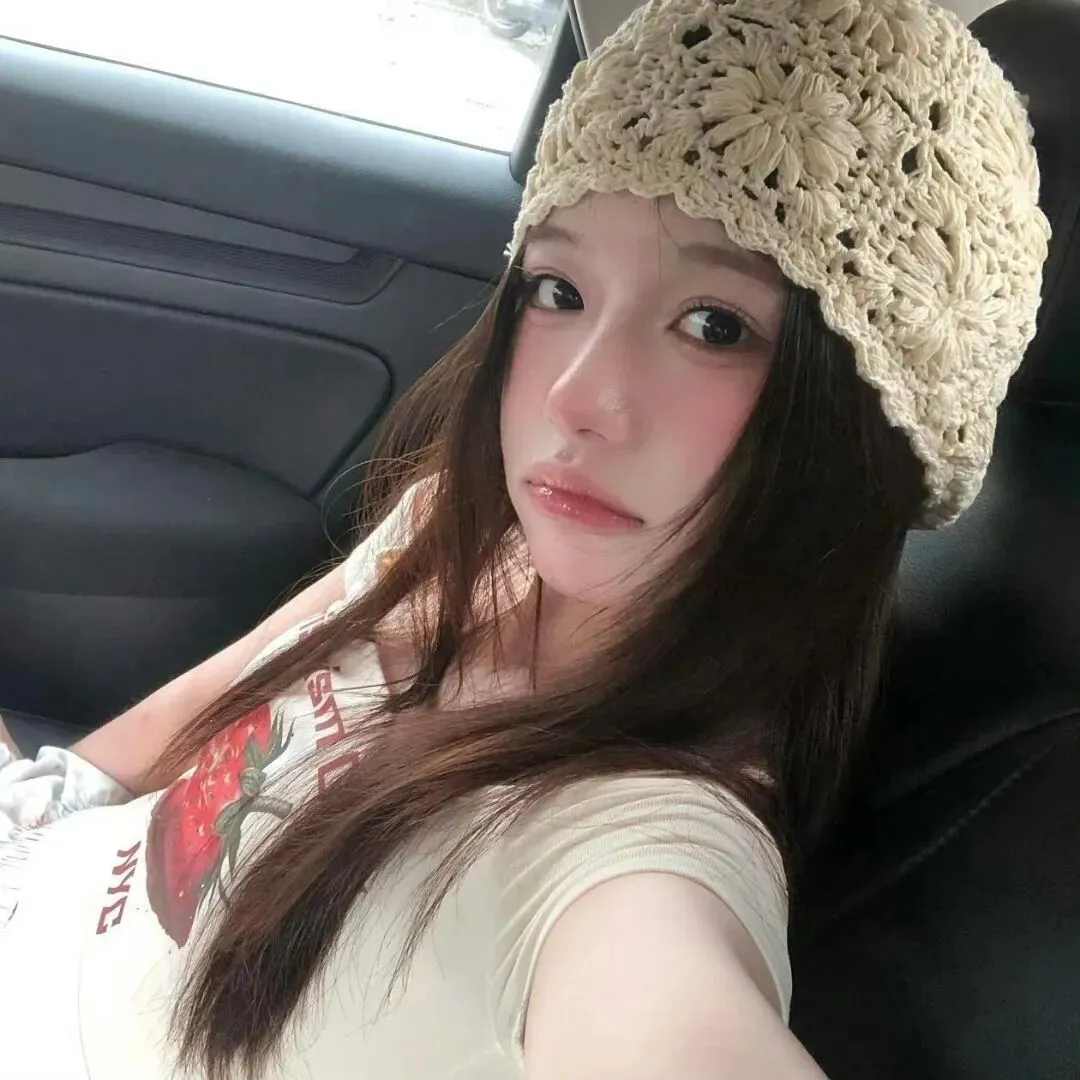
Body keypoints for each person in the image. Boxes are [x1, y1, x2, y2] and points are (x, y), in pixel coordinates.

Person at [0, 0, 1050, 1077]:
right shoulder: (456, 533)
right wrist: (40, 798)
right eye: (559, 290)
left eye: (715, 325)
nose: (574, 397)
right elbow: (145, 746)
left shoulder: (634, 863)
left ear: (861, 425)